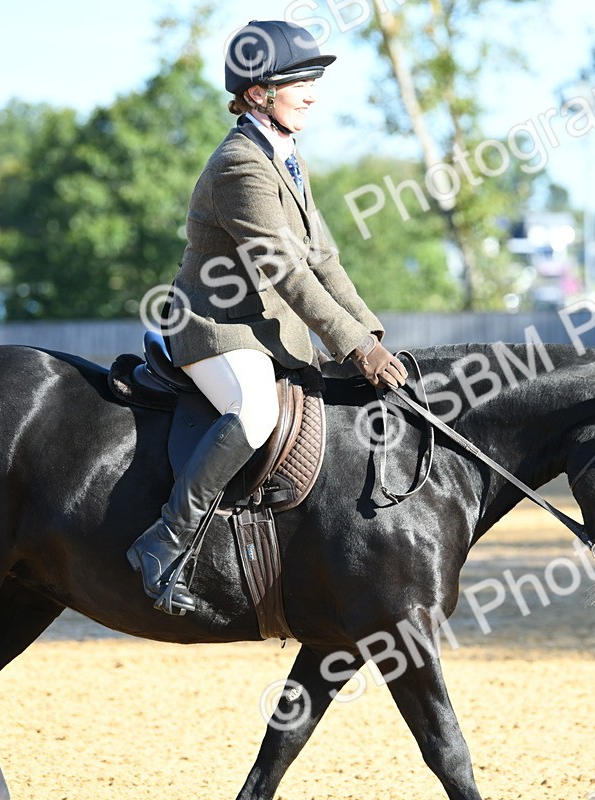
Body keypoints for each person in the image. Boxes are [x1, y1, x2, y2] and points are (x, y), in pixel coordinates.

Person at [126, 19, 408, 615]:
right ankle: (166, 538)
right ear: (258, 93)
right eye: (300, 81)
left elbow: (324, 259)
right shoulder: (240, 165)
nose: (312, 92)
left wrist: (372, 335)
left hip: (263, 328)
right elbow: (286, 270)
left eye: (313, 80)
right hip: (214, 328)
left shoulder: (285, 155)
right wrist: (354, 346)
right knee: (252, 412)